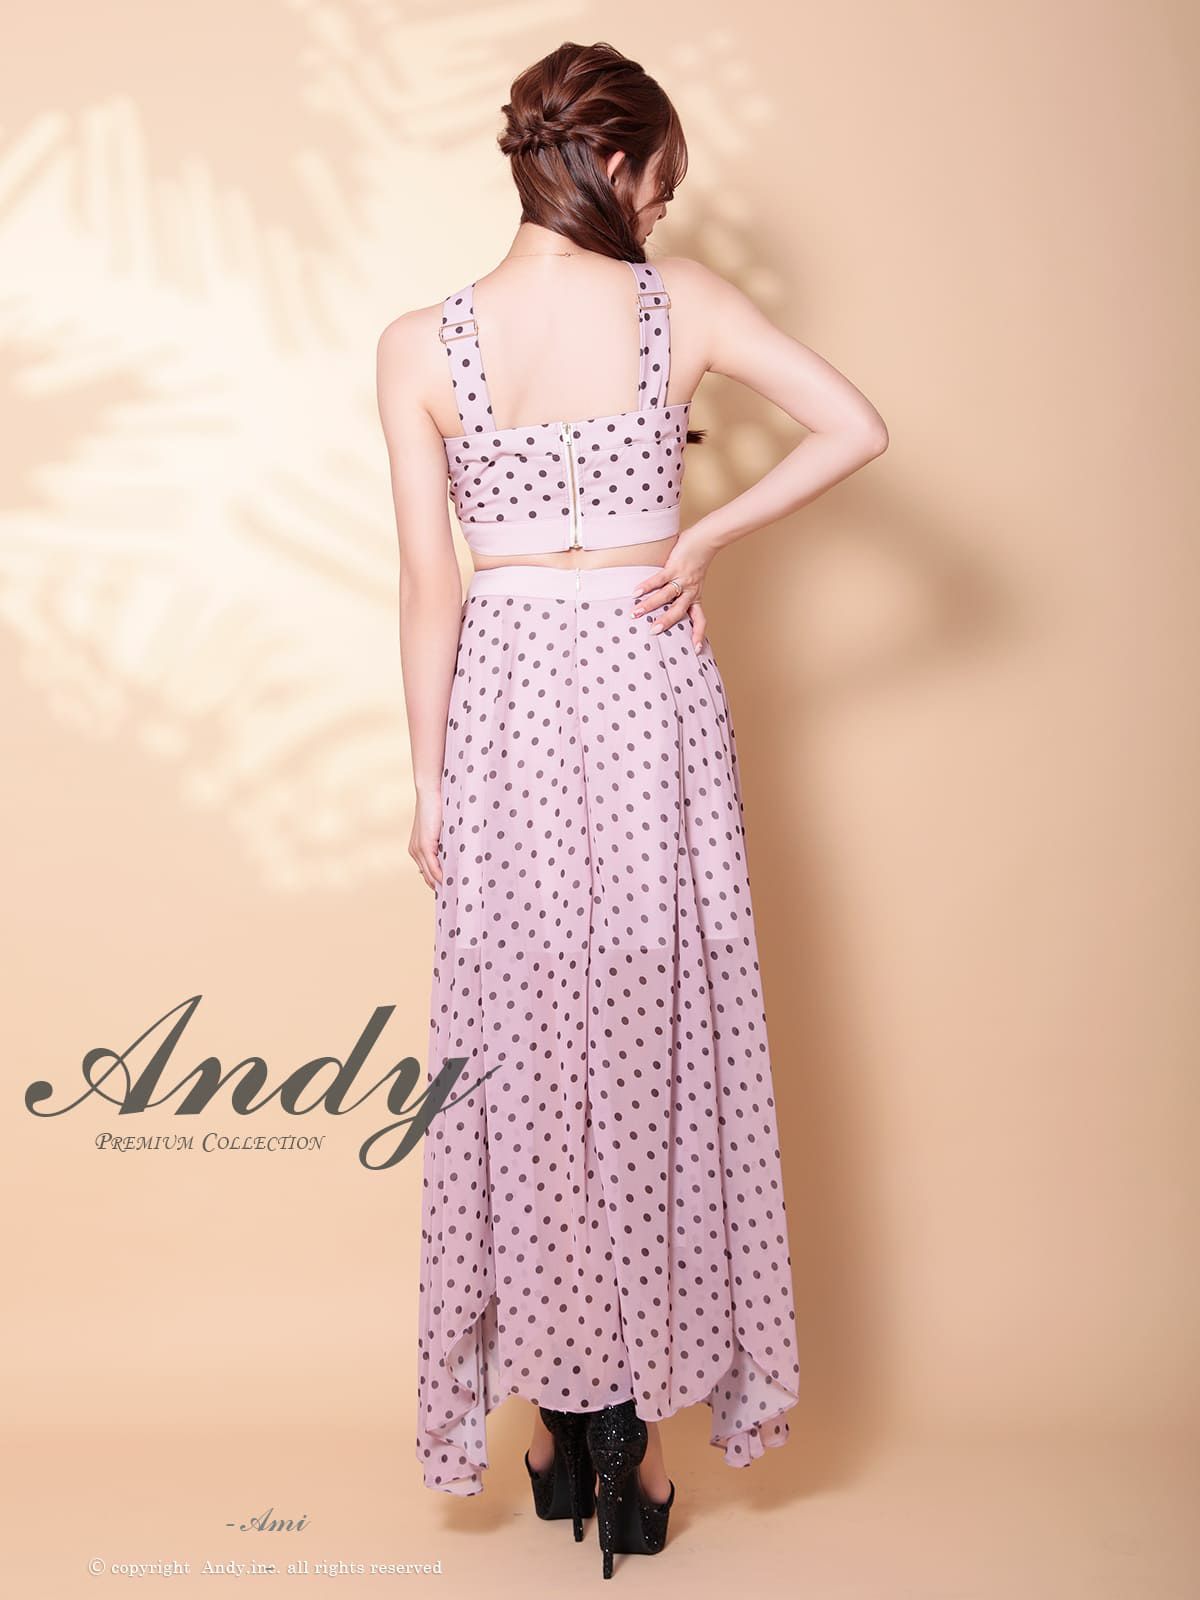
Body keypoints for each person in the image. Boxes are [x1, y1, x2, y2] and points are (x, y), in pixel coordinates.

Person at [376, 39, 887, 1580]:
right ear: (616, 162)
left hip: (507, 704)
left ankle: (554, 1425)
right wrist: (704, 536)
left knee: (524, 1054)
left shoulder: (421, 343)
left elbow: (427, 585)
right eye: (661, 175)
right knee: (654, 1044)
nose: (664, 204)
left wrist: (429, 780)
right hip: (647, 692)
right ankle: (635, 1447)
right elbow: (855, 426)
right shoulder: (684, 309)